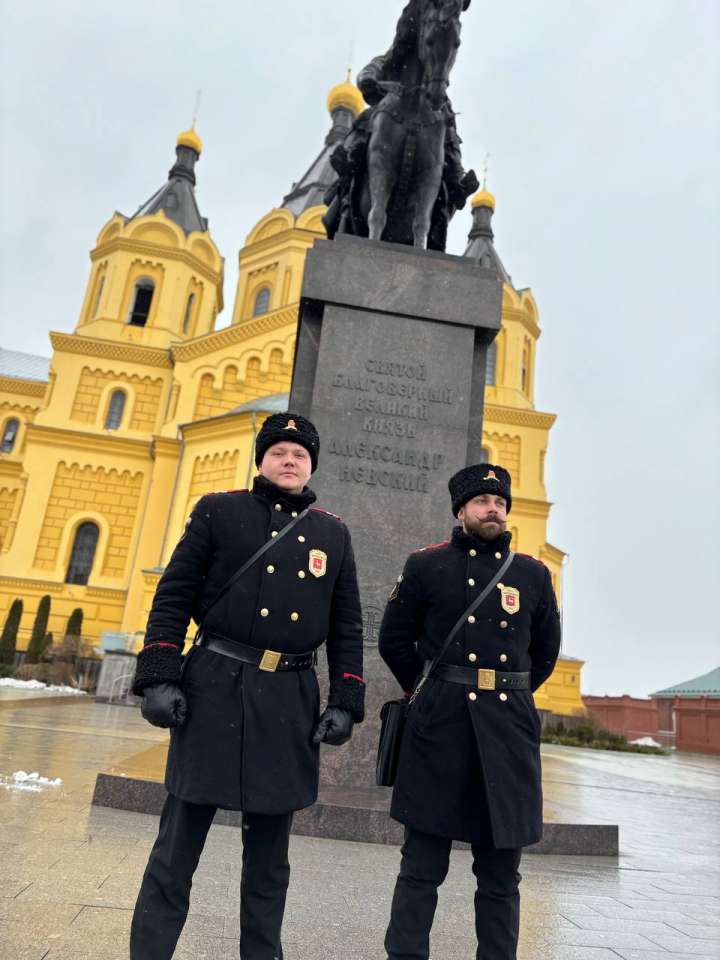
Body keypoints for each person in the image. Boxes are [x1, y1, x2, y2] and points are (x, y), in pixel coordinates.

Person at [129, 412, 365, 960]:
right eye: (279, 452)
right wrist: (160, 675)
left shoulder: (332, 533)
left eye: (300, 455)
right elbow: (173, 596)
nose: (290, 461)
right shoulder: (219, 510)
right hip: (212, 690)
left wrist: (346, 701)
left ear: (311, 467)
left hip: (288, 702)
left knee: (269, 864)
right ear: (261, 460)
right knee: (175, 851)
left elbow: (347, 626)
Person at [378, 463, 561, 960]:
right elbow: (394, 640)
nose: (493, 509)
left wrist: (510, 693)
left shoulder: (532, 574)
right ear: (462, 510)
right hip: (441, 730)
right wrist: (433, 691)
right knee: (421, 865)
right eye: (482, 502)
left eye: (500, 502)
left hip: (508, 734)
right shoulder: (426, 565)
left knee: (502, 874)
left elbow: (544, 653)